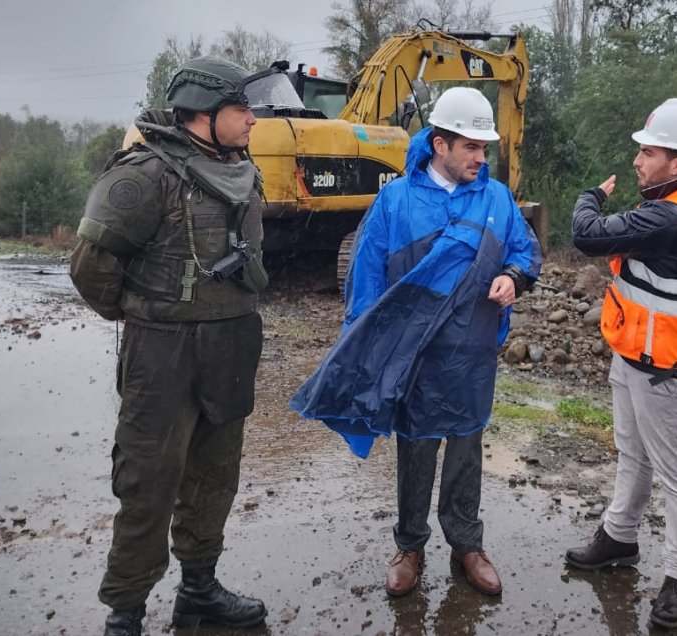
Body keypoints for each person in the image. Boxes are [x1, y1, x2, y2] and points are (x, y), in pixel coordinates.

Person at [290, 87, 541, 598]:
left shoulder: (496, 198)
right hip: (415, 355)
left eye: (484, 148)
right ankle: (409, 546)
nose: (481, 157)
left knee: (467, 445)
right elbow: (367, 280)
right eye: (472, 147)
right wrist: (365, 347)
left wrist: (513, 275)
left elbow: (525, 249)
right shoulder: (396, 200)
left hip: (472, 353)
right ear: (440, 144)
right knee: (417, 447)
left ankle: (467, 544)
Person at [70, 56, 278, 636]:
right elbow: (90, 266)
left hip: (231, 345)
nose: (253, 119)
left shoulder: (241, 169)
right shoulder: (145, 176)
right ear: (204, 112)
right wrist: (147, 314)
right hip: (161, 354)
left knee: (216, 475)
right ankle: (126, 613)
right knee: (147, 481)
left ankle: (199, 590)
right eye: (241, 108)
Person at [565, 98, 677, 630]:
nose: (637, 160)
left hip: (666, 368)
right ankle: (619, 538)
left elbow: (586, 234)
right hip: (636, 353)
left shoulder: (672, 217)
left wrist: (590, 197)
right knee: (632, 454)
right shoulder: (675, 203)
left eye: (647, 153)